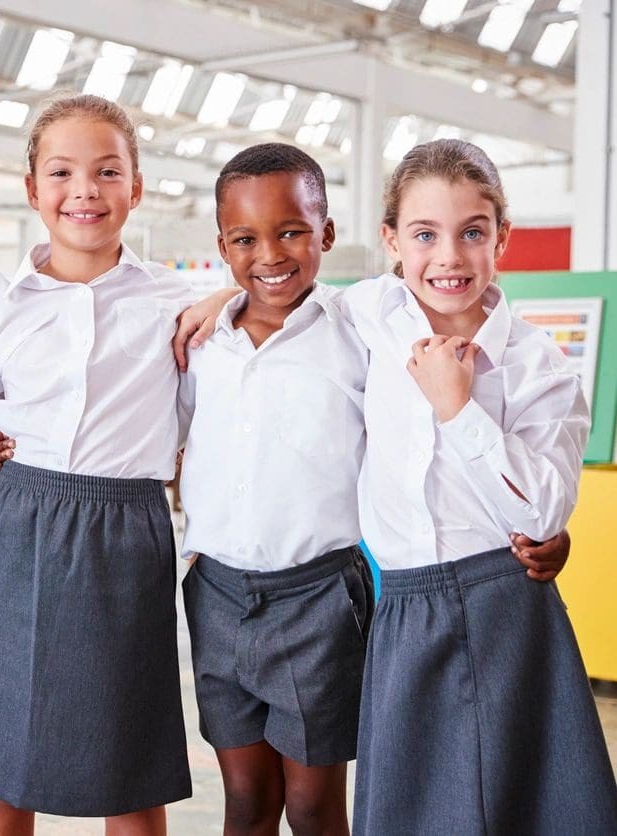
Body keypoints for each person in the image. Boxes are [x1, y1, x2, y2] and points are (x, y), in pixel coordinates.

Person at [346, 139, 617, 834]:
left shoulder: (538, 367)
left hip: (507, 609)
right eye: (424, 234)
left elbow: (543, 508)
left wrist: (457, 407)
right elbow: (288, 303)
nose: (449, 257)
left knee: (521, 807)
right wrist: (225, 297)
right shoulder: (368, 316)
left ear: (503, 237)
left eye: (473, 232)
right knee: (412, 811)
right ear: (391, 241)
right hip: (403, 605)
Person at [0, 93, 193, 835]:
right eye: (61, 172)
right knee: (8, 760)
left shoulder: (176, 304)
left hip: (129, 530)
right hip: (24, 526)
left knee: (129, 759)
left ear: (136, 188)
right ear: (32, 190)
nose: (84, 190)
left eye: (107, 171)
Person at [176, 143, 370, 836]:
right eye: (246, 239)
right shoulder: (198, 342)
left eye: (291, 231)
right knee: (246, 801)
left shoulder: (360, 331)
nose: (270, 254)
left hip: (320, 596)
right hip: (219, 593)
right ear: (222, 246)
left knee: (315, 807)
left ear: (327, 232)